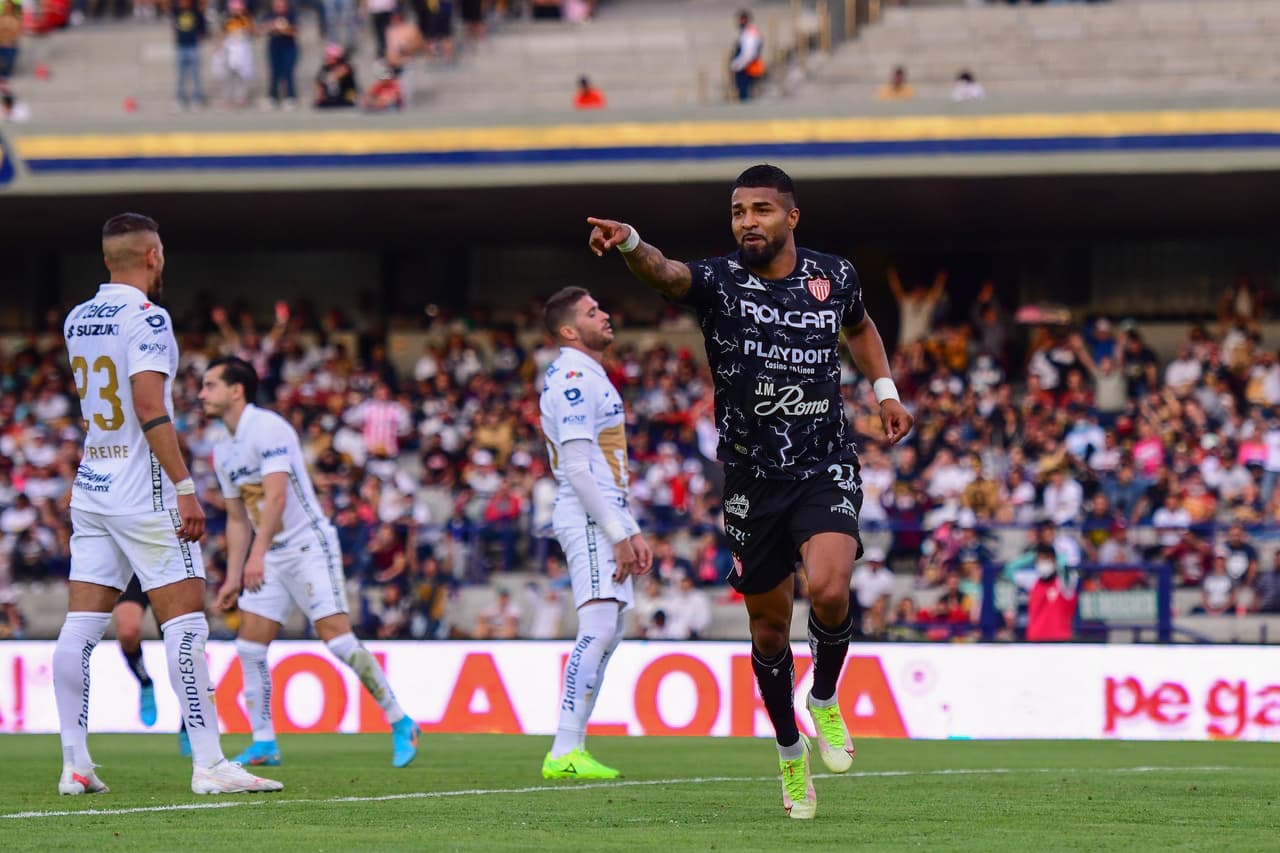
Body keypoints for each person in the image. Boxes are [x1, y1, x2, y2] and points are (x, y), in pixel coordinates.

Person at [586, 164, 913, 819]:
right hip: (751, 478)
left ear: (792, 217)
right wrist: (629, 243)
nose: (747, 223)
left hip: (824, 461)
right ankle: (791, 752)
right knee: (769, 631)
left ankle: (825, 696)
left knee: (828, 587)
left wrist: (885, 392)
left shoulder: (834, 275)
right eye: (738, 211)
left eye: (761, 210)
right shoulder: (719, 281)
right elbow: (666, 272)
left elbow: (860, 326)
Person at [55, 213, 282, 796]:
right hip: (144, 489)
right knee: (185, 624)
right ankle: (209, 763)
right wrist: (184, 486)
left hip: (92, 483)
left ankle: (75, 764)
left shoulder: (78, 317)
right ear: (153, 255)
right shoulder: (149, 318)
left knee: (80, 627)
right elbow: (150, 406)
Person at [200, 356, 420, 768]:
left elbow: (278, 497)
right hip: (269, 554)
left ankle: (400, 720)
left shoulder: (269, 428)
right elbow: (236, 517)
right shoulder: (222, 450)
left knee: (337, 639)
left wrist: (257, 555)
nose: (201, 393)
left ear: (236, 390)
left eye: (210, 385)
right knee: (249, 647)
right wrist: (233, 575)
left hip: (306, 545)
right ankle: (264, 741)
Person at [538, 286, 653, 780]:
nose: (604, 315)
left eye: (601, 307)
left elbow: (600, 469)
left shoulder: (589, 375)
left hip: (604, 512)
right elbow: (578, 470)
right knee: (599, 628)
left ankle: (572, 748)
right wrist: (616, 531)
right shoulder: (571, 378)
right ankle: (564, 748)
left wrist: (629, 526)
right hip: (587, 513)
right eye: (591, 312)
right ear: (568, 330)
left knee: (611, 631)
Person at [113, 576, 191, 754]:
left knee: (181, 648)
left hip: (166, 565)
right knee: (127, 631)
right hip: (132, 568)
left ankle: (189, 723)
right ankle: (145, 682)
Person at [729, 9, 764, 102]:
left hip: (748, 69)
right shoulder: (746, 32)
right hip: (747, 68)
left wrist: (736, 64)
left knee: (745, 97)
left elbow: (748, 54)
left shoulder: (749, 33)